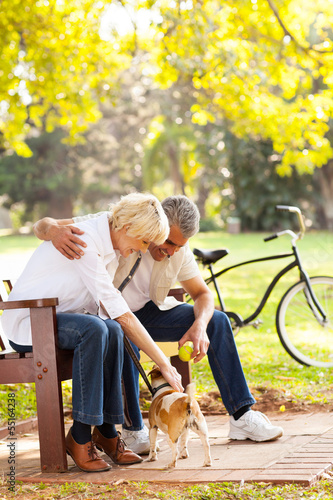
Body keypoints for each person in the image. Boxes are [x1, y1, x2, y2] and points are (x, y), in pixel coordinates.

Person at [33, 195, 284, 455]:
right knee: (124, 334)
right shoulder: (122, 225)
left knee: (217, 321)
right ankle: (133, 429)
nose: (173, 251)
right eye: (170, 242)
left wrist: (199, 325)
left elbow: (203, 295)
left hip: (147, 314)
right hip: (109, 317)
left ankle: (242, 416)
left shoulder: (178, 251)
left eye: (180, 245)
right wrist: (53, 230)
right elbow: (42, 224)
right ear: (157, 226)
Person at [1, 193, 183, 473]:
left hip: (61, 321)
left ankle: (107, 432)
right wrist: (163, 364)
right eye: (144, 241)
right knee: (99, 328)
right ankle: (80, 437)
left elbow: (114, 316)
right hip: (31, 324)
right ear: (127, 228)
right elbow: (122, 312)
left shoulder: (108, 242)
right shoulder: (85, 240)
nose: (143, 249)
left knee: (110, 328)